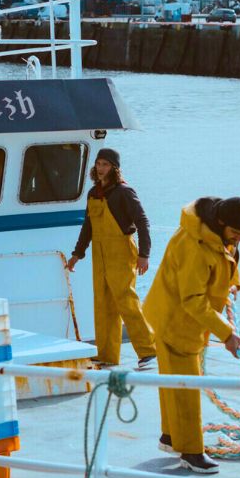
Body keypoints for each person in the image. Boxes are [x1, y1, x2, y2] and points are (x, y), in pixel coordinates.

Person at [143, 196, 240, 474]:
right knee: (186, 388)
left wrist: (232, 283)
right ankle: (191, 452)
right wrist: (227, 334)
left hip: (172, 315)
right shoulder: (195, 245)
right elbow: (192, 300)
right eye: (236, 232)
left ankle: (170, 437)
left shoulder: (215, 233)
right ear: (221, 221)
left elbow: (227, 255)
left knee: (171, 381)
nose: (239, 239)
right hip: (176, 321)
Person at [65, 148, 157, 369]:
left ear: (114, 168)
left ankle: (149, 352)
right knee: (103, 304)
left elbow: (142, 222)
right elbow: (88, 226)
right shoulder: (93, 193)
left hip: (121, 252)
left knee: (127, 302)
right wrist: (77, 254)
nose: (100, 168)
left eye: (105, 164)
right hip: (100, 254)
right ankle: (107, 355)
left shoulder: (124, 192)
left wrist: (144, 254)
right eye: (98, 163)